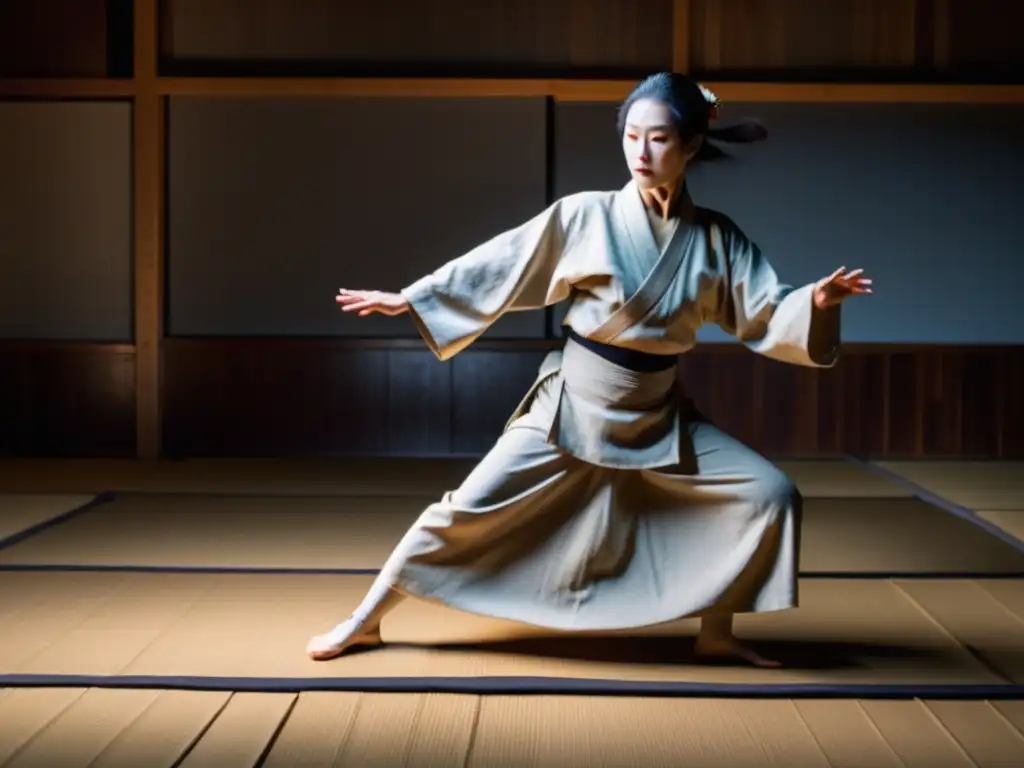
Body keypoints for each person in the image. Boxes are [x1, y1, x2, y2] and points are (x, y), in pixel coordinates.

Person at [309, 72, 872, 668]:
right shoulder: (587, 217)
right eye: (631, 136)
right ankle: (365, 619)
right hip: (572, 408)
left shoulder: (715, 240)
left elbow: (763, 308)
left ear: (690, 147)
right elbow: (507, 261)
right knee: (464, 510)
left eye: (658, 139)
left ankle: (716, 632)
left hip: (657, 417)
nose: (642, 152)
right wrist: (416, 298)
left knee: (769, 494)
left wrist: (810, 304)